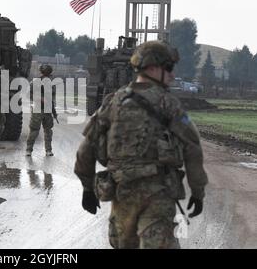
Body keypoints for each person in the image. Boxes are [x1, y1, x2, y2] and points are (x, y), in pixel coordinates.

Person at [74, 40, 208, 249]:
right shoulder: (169, 104)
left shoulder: (113, 102)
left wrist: (87, 189)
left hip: (122, 196)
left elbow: (86, 149)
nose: (172, 75)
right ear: (153, 68)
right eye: (169, 68)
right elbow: (192, 148)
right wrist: (198, 192)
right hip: (158, 196)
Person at [25, 64, 58, 157]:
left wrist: (53, 111)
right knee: (34, 130)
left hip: (48, 109)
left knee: (48, 131)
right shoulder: (35, 82)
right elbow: (28, 95)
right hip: (38, 109)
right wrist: (39, 98)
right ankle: (29, 150)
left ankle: (48, 150)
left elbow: (52, 99)